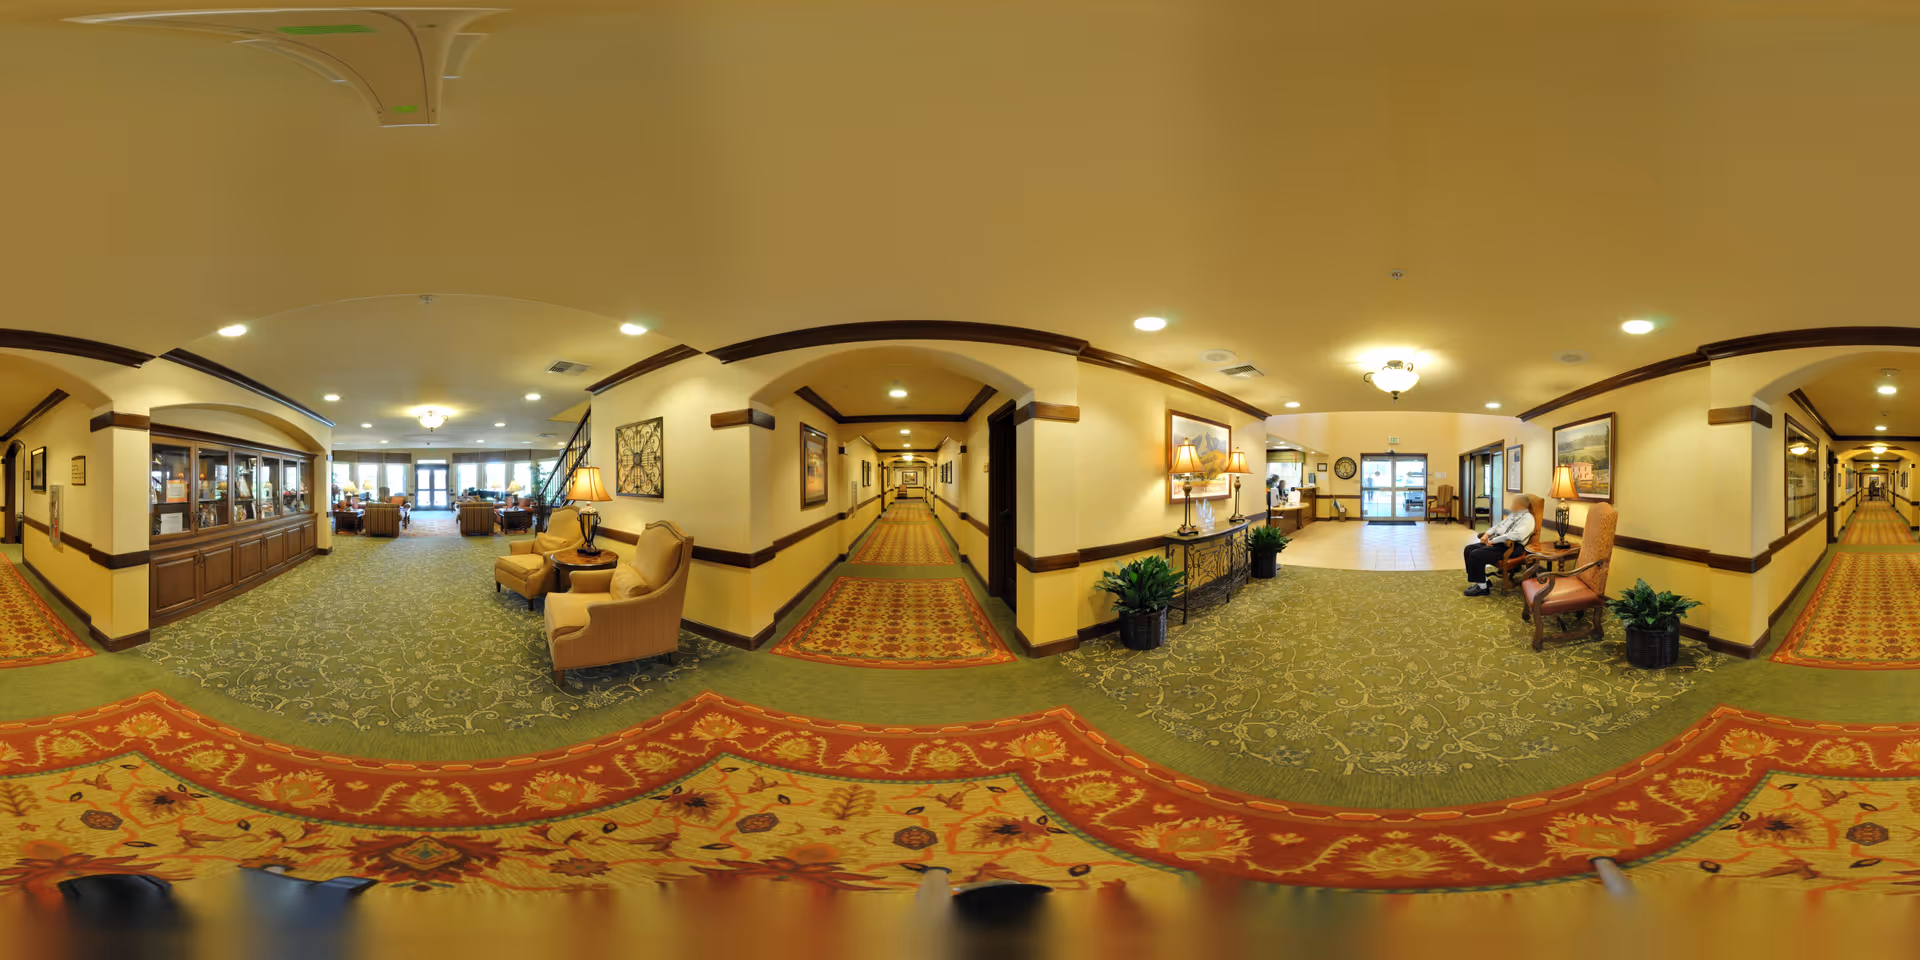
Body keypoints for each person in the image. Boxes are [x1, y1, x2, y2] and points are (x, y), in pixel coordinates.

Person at [1462, 494, 1535, 597]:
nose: (1511, 506)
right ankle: (1484, 581)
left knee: (1476, 554)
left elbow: (1518, 535)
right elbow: (1498, 526)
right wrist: (1487, 534)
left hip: (1512, 547)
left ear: (1521, 505)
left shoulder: (1528, 518)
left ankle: (1483, 589)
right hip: (1498, 544)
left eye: (1514, 503)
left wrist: (1494, 540)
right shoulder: (1513, 515)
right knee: (1469, 549)